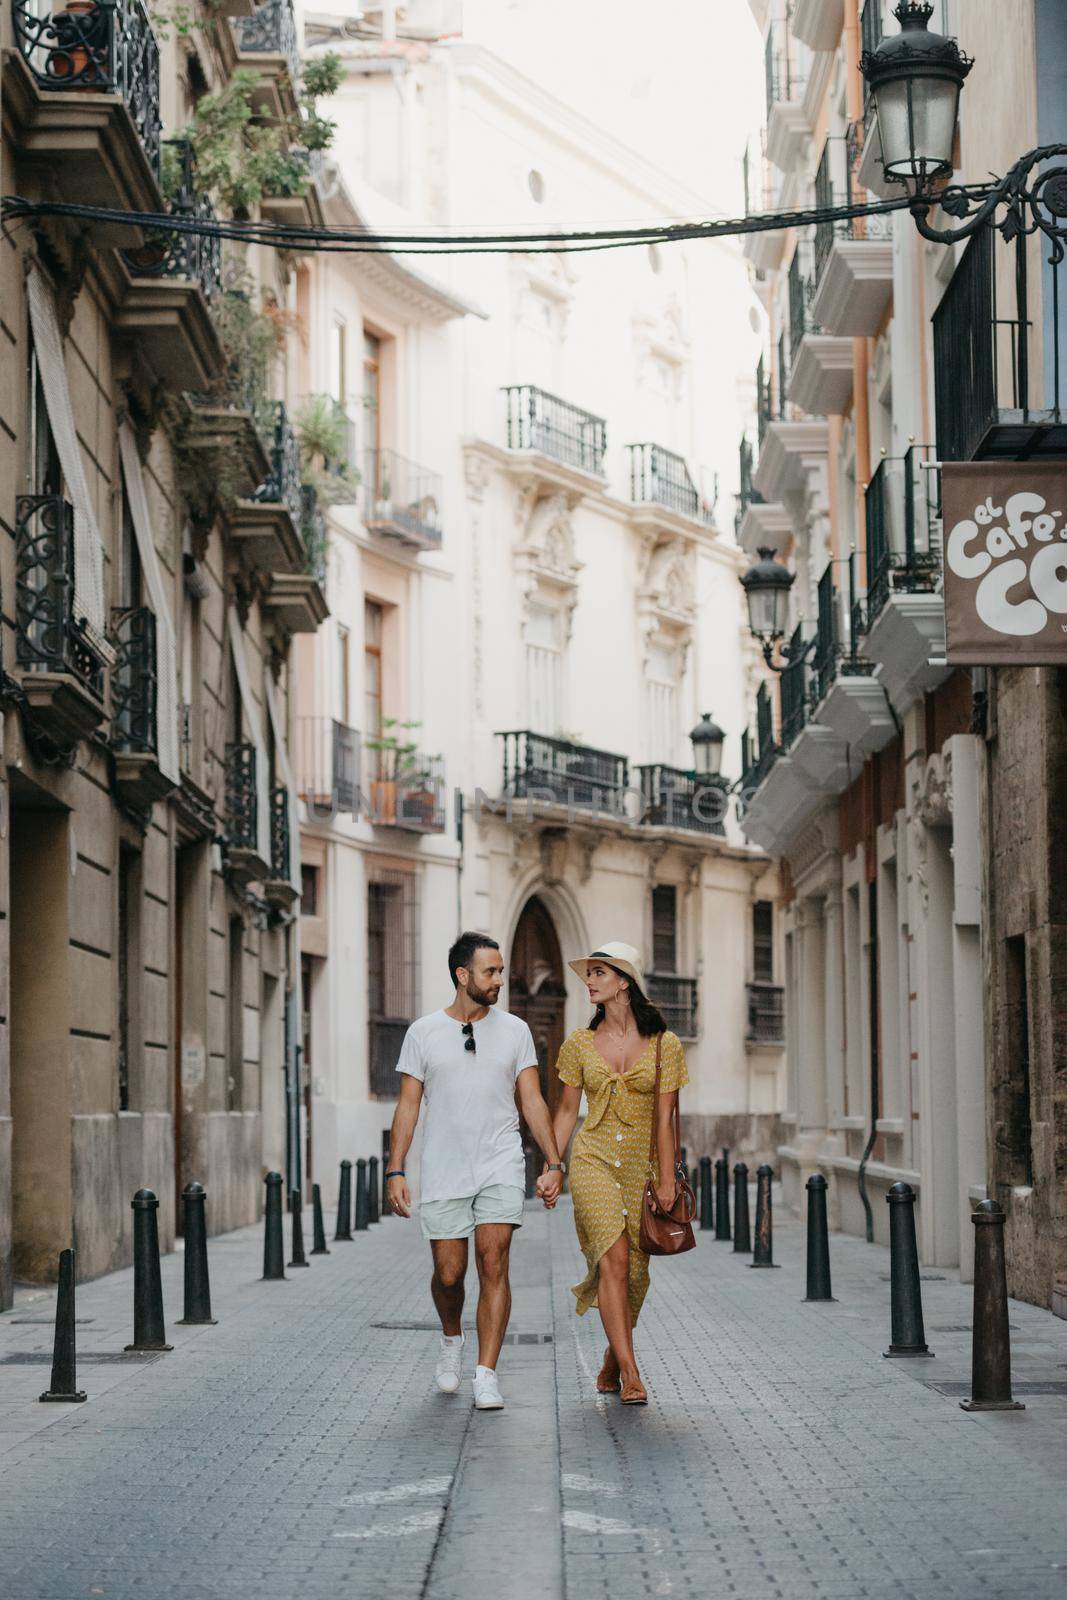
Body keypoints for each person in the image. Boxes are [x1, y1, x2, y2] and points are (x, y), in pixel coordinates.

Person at [385, 932, 564, 1410]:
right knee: (449, 1273)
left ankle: (487, 1373)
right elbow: (408, 1106)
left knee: (494, 1261)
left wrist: (552, 1160)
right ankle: (451, 1339)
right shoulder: (423, 1033)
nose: (500, 980)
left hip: (499, 1163)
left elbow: (532, 1099)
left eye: (502, 970)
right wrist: (395, 1169)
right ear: (463, 975)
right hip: (444, 1169)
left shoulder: (516, 1031)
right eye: (491, 971)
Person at [538, 941, 688, 1405]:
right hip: (593, 1161)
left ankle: (611, 1355)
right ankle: (631, 1372)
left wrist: (666, 1178)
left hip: (641, 1168)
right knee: (614, 1261)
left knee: (636, 1276)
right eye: (589, 974)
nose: (590, 981)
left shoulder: (665, 1044)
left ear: (625, 981)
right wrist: (553, 1165)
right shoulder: (579, 1044)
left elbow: (665, 1119)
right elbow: (565, 1112)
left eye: (600, 973)